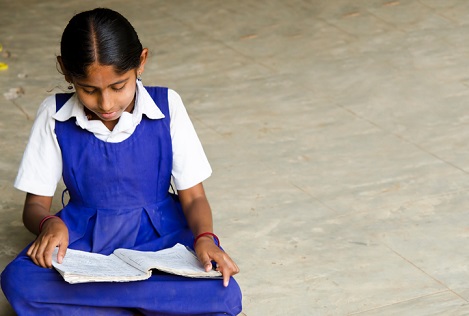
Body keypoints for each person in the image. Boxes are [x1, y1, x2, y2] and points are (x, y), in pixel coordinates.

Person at [1, 8, 242, 316]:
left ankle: (103, 304)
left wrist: (206, 238)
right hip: (84, 237)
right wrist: (50, 223)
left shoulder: (168, 106)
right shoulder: (54, 114)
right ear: (65, 70)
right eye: (89, 89)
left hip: (160, 235)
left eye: (118, 86)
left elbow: (194, 196)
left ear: (141, 62)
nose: (106, 103)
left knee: (224, 294)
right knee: (20, 281)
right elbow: (34, 207)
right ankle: (152, 303)